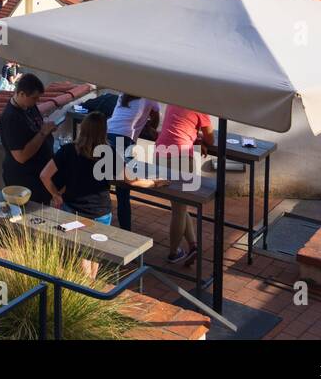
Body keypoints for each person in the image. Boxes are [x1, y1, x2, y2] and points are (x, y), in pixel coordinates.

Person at [40, 110, 168, 225]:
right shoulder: (109, 153)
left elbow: (44, 175)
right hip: (98, 212)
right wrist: (154, 182)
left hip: (70, 208)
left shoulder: (67, 150)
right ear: (104, 131)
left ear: (83, 128)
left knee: (70, 248)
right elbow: (132, 180)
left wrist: (56, 195)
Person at [155, 104, 217, 265]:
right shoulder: (200, 107)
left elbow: (178, 127)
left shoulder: (174, 100)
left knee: (179, 206)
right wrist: (201, 140)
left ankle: (193, 245)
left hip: (160, 152)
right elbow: (211, 139)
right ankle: (173, 253)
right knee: (179, 209)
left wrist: (195, 138)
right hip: (181, 156)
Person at [105, 93, 164, 231]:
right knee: (124, 189)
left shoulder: (124, 93)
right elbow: (156, 117)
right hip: (123, 140)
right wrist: (151, 128)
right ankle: (126, 231)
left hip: (107, 134)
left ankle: (103, 223)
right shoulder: (149, 97)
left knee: (104, 183)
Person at [0, 73, 56, 205]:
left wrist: (46, 130)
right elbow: (21, 156)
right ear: (22, 94)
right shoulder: (11, 118)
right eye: (34, 98)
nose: (36, 101)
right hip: (24, 180)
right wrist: (43, 133)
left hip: (38, 175)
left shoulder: (29, 106)